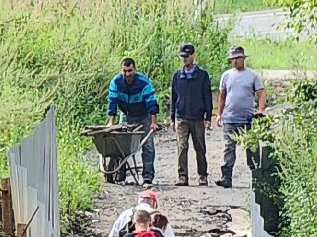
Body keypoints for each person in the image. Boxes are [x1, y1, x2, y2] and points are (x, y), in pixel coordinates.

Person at [215, 46, 266, 189]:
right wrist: (219, 114)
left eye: (238, 58)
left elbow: (261, 94)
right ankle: (226, 178)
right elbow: (222, 96)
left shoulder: (252, 75)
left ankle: (257, 179)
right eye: (233, 59)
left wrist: (260, 110)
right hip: (230, 118)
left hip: (248, 118)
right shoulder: (226, 75)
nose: (235, 61)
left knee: (252, 149)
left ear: (243, 58)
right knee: (228, 148)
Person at [106, 57, 160, 184]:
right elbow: (112, 101)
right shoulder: (116, 82)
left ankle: (148, 175)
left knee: (148, 146)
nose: (127, 74)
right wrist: (111, 122)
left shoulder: (143, 83)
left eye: (130, 71)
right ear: (121, 71)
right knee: (121, 144)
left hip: (143, 116)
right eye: (125, 71)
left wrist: (153, 122)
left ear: (134, 69)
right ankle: (120, 173)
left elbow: (151, 102)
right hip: (126, 114)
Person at [169, 42, 212, 186]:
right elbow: (173, 97)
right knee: (182, 147)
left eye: (187, 56)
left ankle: (203, 175)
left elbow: (207, 96)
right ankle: (182, 176)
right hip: (181, 117)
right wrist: (172, 118)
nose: (184, 59)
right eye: (183, 57)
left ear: (193, 56)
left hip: (198, 117)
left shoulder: (202, 75)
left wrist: (208, 117)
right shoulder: (177, 75)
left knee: (200, 147)